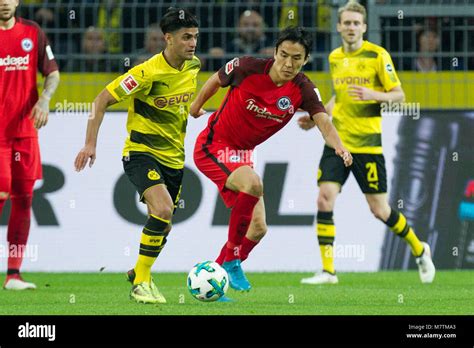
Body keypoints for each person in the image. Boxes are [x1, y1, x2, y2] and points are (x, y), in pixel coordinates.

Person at [190, 26, 352, 297]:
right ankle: (231, 260)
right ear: (275, 52)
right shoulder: (247, 67)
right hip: (213, 146)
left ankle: (214, 279)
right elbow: (217, 80)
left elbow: (323, 120)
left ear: (306, 59)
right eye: (284, 55)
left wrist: (339, 147)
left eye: (296, 58)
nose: (289, 63)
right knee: (253, 183)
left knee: (259, 227)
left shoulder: (303, 88)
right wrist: (196, 106)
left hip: (242, 156)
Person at [298, 1, 436, 285]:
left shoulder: (377, 55)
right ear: (338, 27)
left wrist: (374, 94)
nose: (350, 28)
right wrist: (316, 119)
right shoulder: (335, 57)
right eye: (346, 23)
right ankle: (328, 271)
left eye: (355, 23)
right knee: (324, 198)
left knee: (379, 210)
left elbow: (398, 95)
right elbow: (339, 96)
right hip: (338, 143)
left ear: (363, 27)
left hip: (369, 145)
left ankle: (420, 249)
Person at [74, 8, 200, 304]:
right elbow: (101, 99)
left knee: (163, 224)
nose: (192, 43)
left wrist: (192, 109)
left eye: (195, 36)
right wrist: (90, 144)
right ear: (168, 39)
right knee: (164, 210)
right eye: (185, 37)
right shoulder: (147, 72)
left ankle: (139, 272)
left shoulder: (194, 66)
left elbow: (180, 103)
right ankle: (141, 282)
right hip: (141, 152)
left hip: (174, 159)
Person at [0, 0, 60, 290]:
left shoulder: (32, 32)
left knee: (23, 200)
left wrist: (45, 101)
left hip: (24, 132)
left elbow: (52, 73)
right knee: (2, 192)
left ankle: (13, 274)